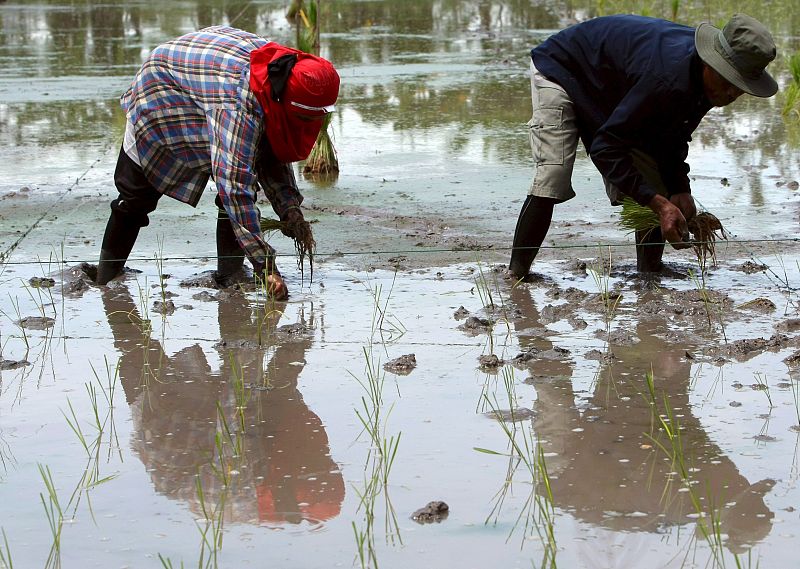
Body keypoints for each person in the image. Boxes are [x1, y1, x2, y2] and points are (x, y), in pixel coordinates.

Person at [509, 13, 778, 279]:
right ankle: (517, 275)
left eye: (740, 86)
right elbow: (606, 147)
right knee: (553, 174)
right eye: (728, 81)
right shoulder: (666, 77)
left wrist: (678, 188)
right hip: (563, 68)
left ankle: (649, 273)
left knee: (656, 177)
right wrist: (659, 204)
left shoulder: (710, 85)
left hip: (613, 87)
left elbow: (673, 136)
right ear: (711, 63)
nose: (731, 93)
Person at [94, 26, 340, 299]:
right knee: (135, 198)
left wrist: (290, 210)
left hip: (205, 83)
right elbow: (234, 187)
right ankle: (106, 279)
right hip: (160, 92)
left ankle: (230, 276)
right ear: (285, 102)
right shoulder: (237, 105)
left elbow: (272, 150)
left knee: (242, 169)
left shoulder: (280, 77)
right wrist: (265, 266)